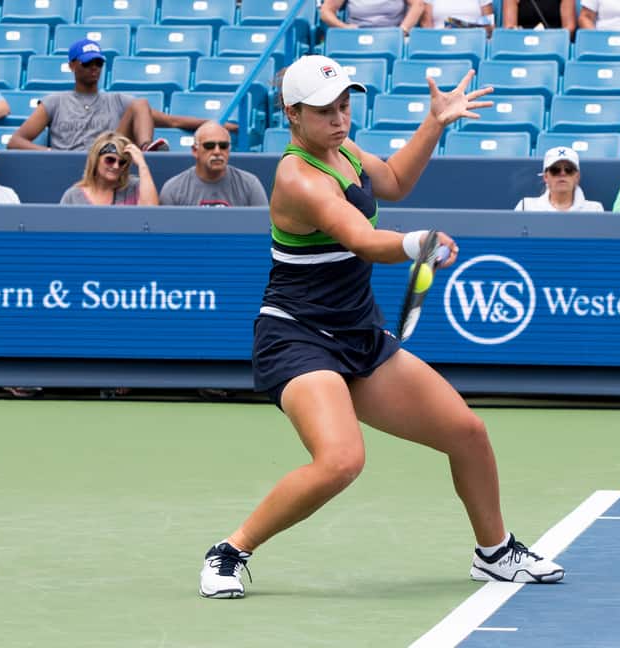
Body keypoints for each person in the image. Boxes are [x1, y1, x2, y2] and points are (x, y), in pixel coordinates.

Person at [198, 54, 565, 599]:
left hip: (357, 335)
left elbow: (392, 180)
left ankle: (494, 552)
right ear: (293, 114)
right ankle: (230, 551)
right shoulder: (298, 177)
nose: (340, 119)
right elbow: (363, 239)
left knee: (467, 433)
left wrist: (435, 122)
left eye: (345, 106)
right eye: (325, 111)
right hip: (297, 338)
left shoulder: (342, 150)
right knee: (342, 460)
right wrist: (417, 243)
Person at [8, 39, 207, 153]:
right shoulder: (55, 101)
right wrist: (52, 154)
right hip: (68, 164)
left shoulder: (118, 101)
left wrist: (215, 125)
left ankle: (146, 149)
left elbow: (172, 121)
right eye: (87, 63)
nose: (94, 68)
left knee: (140, 103)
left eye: (98, 63)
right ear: (72, 65)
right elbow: (16, 141)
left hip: (109, 159)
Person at [159, 121, 268, 207]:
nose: (217, 151)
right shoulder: (173, 189)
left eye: (223, 146)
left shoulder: (250, 185)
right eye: (209, 146)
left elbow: (263, 227)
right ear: (195, 151)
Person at [60, 131, 159, 206]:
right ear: (95, 160)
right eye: (110, 160)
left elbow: (151, 214)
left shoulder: (134, 187)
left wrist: (142, 165)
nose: (116, 166)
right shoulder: (73, 196)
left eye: (122, 162)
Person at [515, 146, 603, 212]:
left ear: (577, 177)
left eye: (569, 170)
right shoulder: (525, 207)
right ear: (545, 177)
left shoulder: (594, 209)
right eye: (555, 170)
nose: (562, 173)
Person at [319, 0, 424, 36]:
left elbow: (418, 4)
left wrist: (403, 29)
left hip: (393, 34)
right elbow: (325, 12)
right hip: (356, 34)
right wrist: (344, 27)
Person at [502, 0, 577, 35]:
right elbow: (509, 28)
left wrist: (553, 38)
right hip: (522, 42)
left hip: (554, 42)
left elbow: (570, 27)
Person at [421, 0, 496, 34]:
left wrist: (460, 25)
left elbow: (490, 25)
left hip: (472, 39)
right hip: (439, 40)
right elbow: (427, 26)